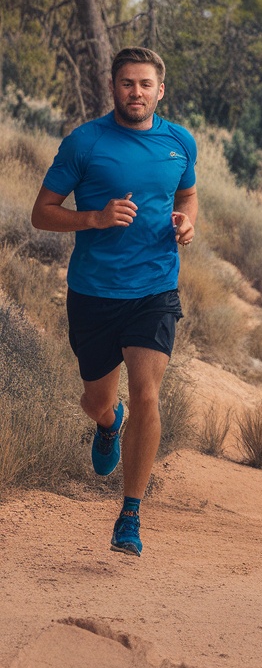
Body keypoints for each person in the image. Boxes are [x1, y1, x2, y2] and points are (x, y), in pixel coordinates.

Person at [31, 47, 197, 558]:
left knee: (149, 393)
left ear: (160, 90)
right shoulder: (85, 142)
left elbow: (187, 196)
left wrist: (187, 222)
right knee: (97, 400)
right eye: (127, 83)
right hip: (94, 293)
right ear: (113, 87)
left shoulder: (179, 142)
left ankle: (130, 513)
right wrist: (94, 219)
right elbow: (41, 213)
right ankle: (108, 422)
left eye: (145, 84)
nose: (136, 93)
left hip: (154, 289)